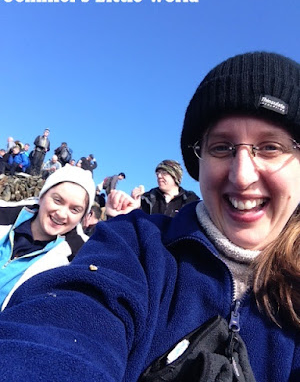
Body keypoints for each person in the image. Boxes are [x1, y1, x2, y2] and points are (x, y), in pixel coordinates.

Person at [0, 52, 299, 382]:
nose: (242, 176)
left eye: (271, 147)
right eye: (221, 147)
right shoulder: (135, 244)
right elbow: (63, 326)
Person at [0, 164, 95, 310]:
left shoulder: (77, 257)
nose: (62, 214)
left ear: (82, 217)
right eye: (57, 200)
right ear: (42, 196)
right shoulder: (4, 215)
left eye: (75, 209)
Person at [130, 160, 199, 217]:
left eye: (164, 173)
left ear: (175, 177)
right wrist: (135, 206)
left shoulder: (191, 200)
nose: (159, 176)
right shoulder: (147, 198)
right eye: (157, 173)